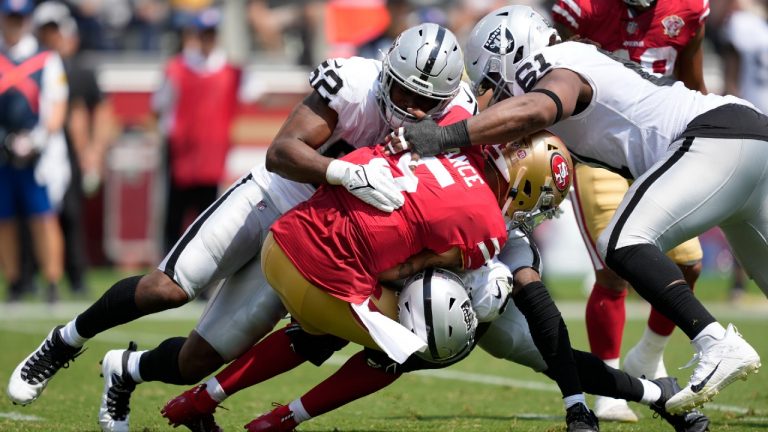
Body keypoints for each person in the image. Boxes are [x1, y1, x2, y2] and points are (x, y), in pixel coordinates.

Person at [6, 23, 471, 432]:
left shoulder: (453, 121)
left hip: (312, 239)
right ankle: (65, 340)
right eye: (404, 91)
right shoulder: (354, 83)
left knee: (199, 360)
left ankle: (125, 370)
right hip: (273, 197)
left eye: (425, 101)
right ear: (387, 71)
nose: (410, 108)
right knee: (167, 289)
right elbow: (282, 151)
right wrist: (341, 172)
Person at [161, 133, 709, 432]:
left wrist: (574, 403)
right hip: (350, 271)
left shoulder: (455, 144)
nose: (540, 213)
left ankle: (654, 393)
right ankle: (276, 421)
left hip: (291, 235)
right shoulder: (490, 221)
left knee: (515, 336)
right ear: (524, 182)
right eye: (540, 199)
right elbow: (406, 269)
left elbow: (537, 308)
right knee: (425, 337)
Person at [387, 4, 764, 415]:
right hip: (750, 138)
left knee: (620, 241)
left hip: (711, 138)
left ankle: (712, 339)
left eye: (495, 80)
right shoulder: (576, 58)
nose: (494, 94)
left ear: (512, 52)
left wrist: (442, 136)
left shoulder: (557, 61)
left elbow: (539, 108)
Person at [550, 0, 709, 421]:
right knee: (613, 267)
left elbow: (693, 81)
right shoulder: (581, 9)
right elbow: (549, 81)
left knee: (689, 263)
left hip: (659, 149)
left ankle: (647, 356)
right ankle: (607, 383)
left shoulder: (689, 9)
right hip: (595, 152)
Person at [151, 7, 242, 255]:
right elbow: (159, 106)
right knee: (174, 213)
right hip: (182, 153)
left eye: (211, 34)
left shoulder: (230, 71)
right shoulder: (178, 69)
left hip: (212, 154)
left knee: (208, 215)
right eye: (204, 33)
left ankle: (203, 267)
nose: (207, 39)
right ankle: (167, 265)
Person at [0, 0, 69, 303]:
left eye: (19, 18)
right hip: (3, 153)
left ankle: (52, 280)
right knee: (5, 220)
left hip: (37, 155)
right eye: (10, 18)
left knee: (43, 217)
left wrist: (36, 140)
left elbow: (57, 106)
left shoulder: (46, 59)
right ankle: (13, 281)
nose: (14, 24)